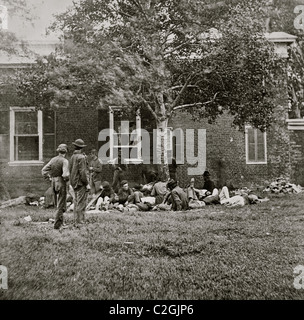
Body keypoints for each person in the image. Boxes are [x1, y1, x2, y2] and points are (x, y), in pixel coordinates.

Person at [41, 144, 69, 229]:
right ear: (66, 151)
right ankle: (57, 225)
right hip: (61, 182)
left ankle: (61, 222)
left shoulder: (53, 160)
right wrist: (67, 181)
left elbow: (43, 170)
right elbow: (65, 174)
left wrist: (49, 178)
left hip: (53, 182)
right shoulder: (65, 161)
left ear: (58, 151)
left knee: (57, 203)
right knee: (61, 203)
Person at [69, 138, 91, 227]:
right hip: (80, 183)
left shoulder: (73, 157)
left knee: (76, 202)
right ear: (82, 148)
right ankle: (80, 222)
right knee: (81, 203)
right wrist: (87, 184)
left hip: (74, 182)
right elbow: (83, 172)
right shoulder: (81, 157)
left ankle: (76, 220)